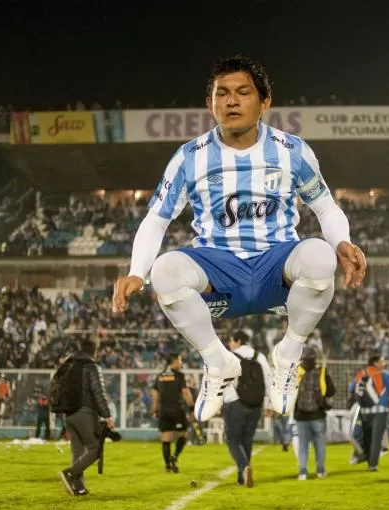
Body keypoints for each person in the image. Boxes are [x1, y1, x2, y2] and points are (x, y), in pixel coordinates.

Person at [111, 55, 366, 425]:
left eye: (243, 92)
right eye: (222, 93)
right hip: (219, 269)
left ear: (265, 102)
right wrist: (137, 271)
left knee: (321, 255)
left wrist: (343, 241)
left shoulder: (292, 151)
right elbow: (156, 219)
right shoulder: (189, 157)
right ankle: (218, 363)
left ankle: (288, 354)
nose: (231, 101)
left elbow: (326, 208)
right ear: (209, 104)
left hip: (276, 266)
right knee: (164, 269)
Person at [58, 338, 115, 497]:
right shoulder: (92, 367)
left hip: (69, 413)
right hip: (85, 412)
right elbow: (98, 392)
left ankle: (79, 488)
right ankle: (69, 474)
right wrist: (107, 415)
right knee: (96, 448)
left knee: (78, 451)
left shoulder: (69, 366)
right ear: (94, 352)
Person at [223, 331, 272, 487]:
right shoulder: (260, 356)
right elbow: (269, 380)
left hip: (235, 402)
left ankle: (244, 467)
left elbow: (223, 382)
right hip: (255, 405)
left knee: (232, 440)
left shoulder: (230, 357)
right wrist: (268, 404)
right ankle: (242, 476)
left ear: (237, 341)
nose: (230, 344)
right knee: (247, 440)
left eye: (231, 341)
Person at [351, 356, 389, 472]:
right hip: (380, 411)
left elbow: (351, 389)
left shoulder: (360, 374)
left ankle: (364, 457)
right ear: (375, 363)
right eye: (382, 361)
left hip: (365, 411)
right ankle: (372, 465)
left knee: (368, 438)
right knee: (376, 439)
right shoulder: (383, 374)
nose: (384, 364)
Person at [292, 346, 335, 480]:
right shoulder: (321, 372)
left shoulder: (297, 373)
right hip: (318, 415)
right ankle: (320, 470)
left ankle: (303, 472)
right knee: (320, 445)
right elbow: (331, 391)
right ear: (315, 359)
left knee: (303, 445)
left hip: (301, 416)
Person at [152, 353, 194, 473]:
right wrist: (191, 406)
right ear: (174, 361)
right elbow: (185, 392)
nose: (181, 363)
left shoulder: (160, 376)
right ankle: (174, 457)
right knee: (183, 435)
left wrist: (155, 409)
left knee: (166, 437)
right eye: (180, 360)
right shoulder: (179, 375)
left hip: (163, 410)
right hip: (177, 410)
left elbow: (154, 394)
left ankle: (167, 465)